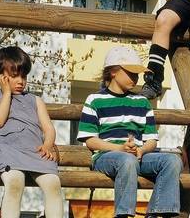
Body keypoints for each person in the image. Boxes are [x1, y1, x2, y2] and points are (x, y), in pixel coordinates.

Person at [78, 46, 182, 217]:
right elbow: (90, 140)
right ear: (113, 71)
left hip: (137, 156)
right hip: (107, 156)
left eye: (137, 74)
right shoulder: (95, 100)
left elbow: (151, 140)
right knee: (127, 160)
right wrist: (120, 149)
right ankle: (124, 214)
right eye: (131, 73)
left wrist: (141, 150)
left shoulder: (142, 102)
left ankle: (159, 213)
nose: (136, 77)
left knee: (172, 161)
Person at [0, 46, 62, 218]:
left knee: (54, 184)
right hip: (9, 153)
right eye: (14, 76)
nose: (21, 81)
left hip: (35, 153)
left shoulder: (35, 100)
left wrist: (48, 144)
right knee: (15, 183)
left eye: (23, 76)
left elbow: (48, 128)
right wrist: (6, 94)